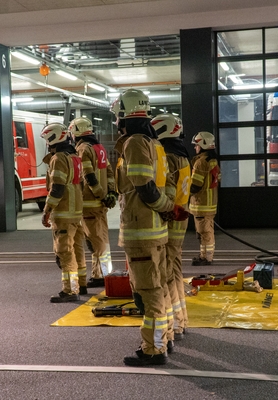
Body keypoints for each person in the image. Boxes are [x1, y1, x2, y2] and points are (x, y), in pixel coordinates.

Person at [112, 89, 187, 367]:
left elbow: (144, 188)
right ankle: (163, 339)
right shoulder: (155, 144)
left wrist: (167, 207)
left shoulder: (134, 143)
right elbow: (159, 186)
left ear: (124, 113)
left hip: (141, 232)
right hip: (155, 231)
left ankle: (154, 349)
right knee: (159, 287)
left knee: (149, 292)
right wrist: (170, 208)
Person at [151, 114, 191, 340]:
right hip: (181, 220)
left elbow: (165, 191)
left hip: (170, 220)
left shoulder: (167, 155)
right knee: (175, 271)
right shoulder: (183, 155)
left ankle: (173, 325)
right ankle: (181, 320)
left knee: (165, 275)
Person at [68, 116, 116, 290]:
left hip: (89, 202)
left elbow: (88, 176)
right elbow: (109, 172)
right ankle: (102, 273)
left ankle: (102, 275)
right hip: (100, 204)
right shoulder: (99, 147)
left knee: (95, 241)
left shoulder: (82, 149)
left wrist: (101, 194)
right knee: (101, 238)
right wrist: (110, 192)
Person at [40, 123, 84, 303]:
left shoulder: (58, 158)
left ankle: (70, 290)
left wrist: (46, 211)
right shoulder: (74, 157)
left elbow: (57, 188)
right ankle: (80, 283)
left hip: (63, 213)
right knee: (76, 249)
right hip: (76, 213)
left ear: (53, 138)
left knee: (64, 252)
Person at [189, 131, 220, 266]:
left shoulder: (201, 162)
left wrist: (184, 192)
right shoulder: (213, 161)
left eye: (196, 145)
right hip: (210, 204)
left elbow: (195, 185)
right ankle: (204, 256)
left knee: (204, 233)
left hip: (201, 204)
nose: (195, 148)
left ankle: (207, 258)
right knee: (205, 232)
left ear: (203, 144)